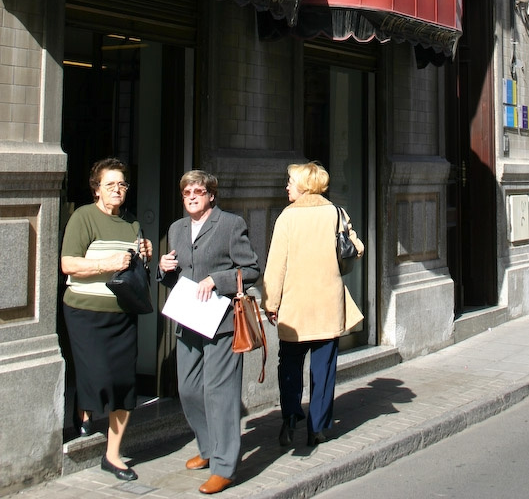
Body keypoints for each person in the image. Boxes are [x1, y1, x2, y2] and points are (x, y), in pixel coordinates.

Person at [158, 170, 260, 495]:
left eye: (198, 192)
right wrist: (163, 269)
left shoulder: (230, 224)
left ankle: (224, 466)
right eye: (186, 192)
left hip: (222, 322)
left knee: (220, 393)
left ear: (211, 195)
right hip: (189, 319)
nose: (191, 197)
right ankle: (208, 448)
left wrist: (217, 279)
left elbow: (251, 269)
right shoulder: (176, 229)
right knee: (188, 390)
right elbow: (176, 275)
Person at [61, 158, 153, 482]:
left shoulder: (131, 223)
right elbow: (68, 264)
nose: (117, 189)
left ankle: (112, 456)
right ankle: (83, 407)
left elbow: (132, 268)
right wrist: (107, 263)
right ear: (96, 189)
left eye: (122, 184)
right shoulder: (83, 217)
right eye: (110, 184)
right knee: (97, 374)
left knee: (124, 384)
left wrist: (144, 254)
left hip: (122, 314)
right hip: (85, 312)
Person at [261, 161, 364, 448]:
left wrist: (270, 302)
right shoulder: (336, 213)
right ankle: (317, 427)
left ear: (304, 186)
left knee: (289, 365)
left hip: (294, 306)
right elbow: (356, 247)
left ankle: (290, 418)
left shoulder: (287, 217)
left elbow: (276, 265)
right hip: (328, 303)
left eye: (291, 182)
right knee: (324, 367)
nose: (287, 187)